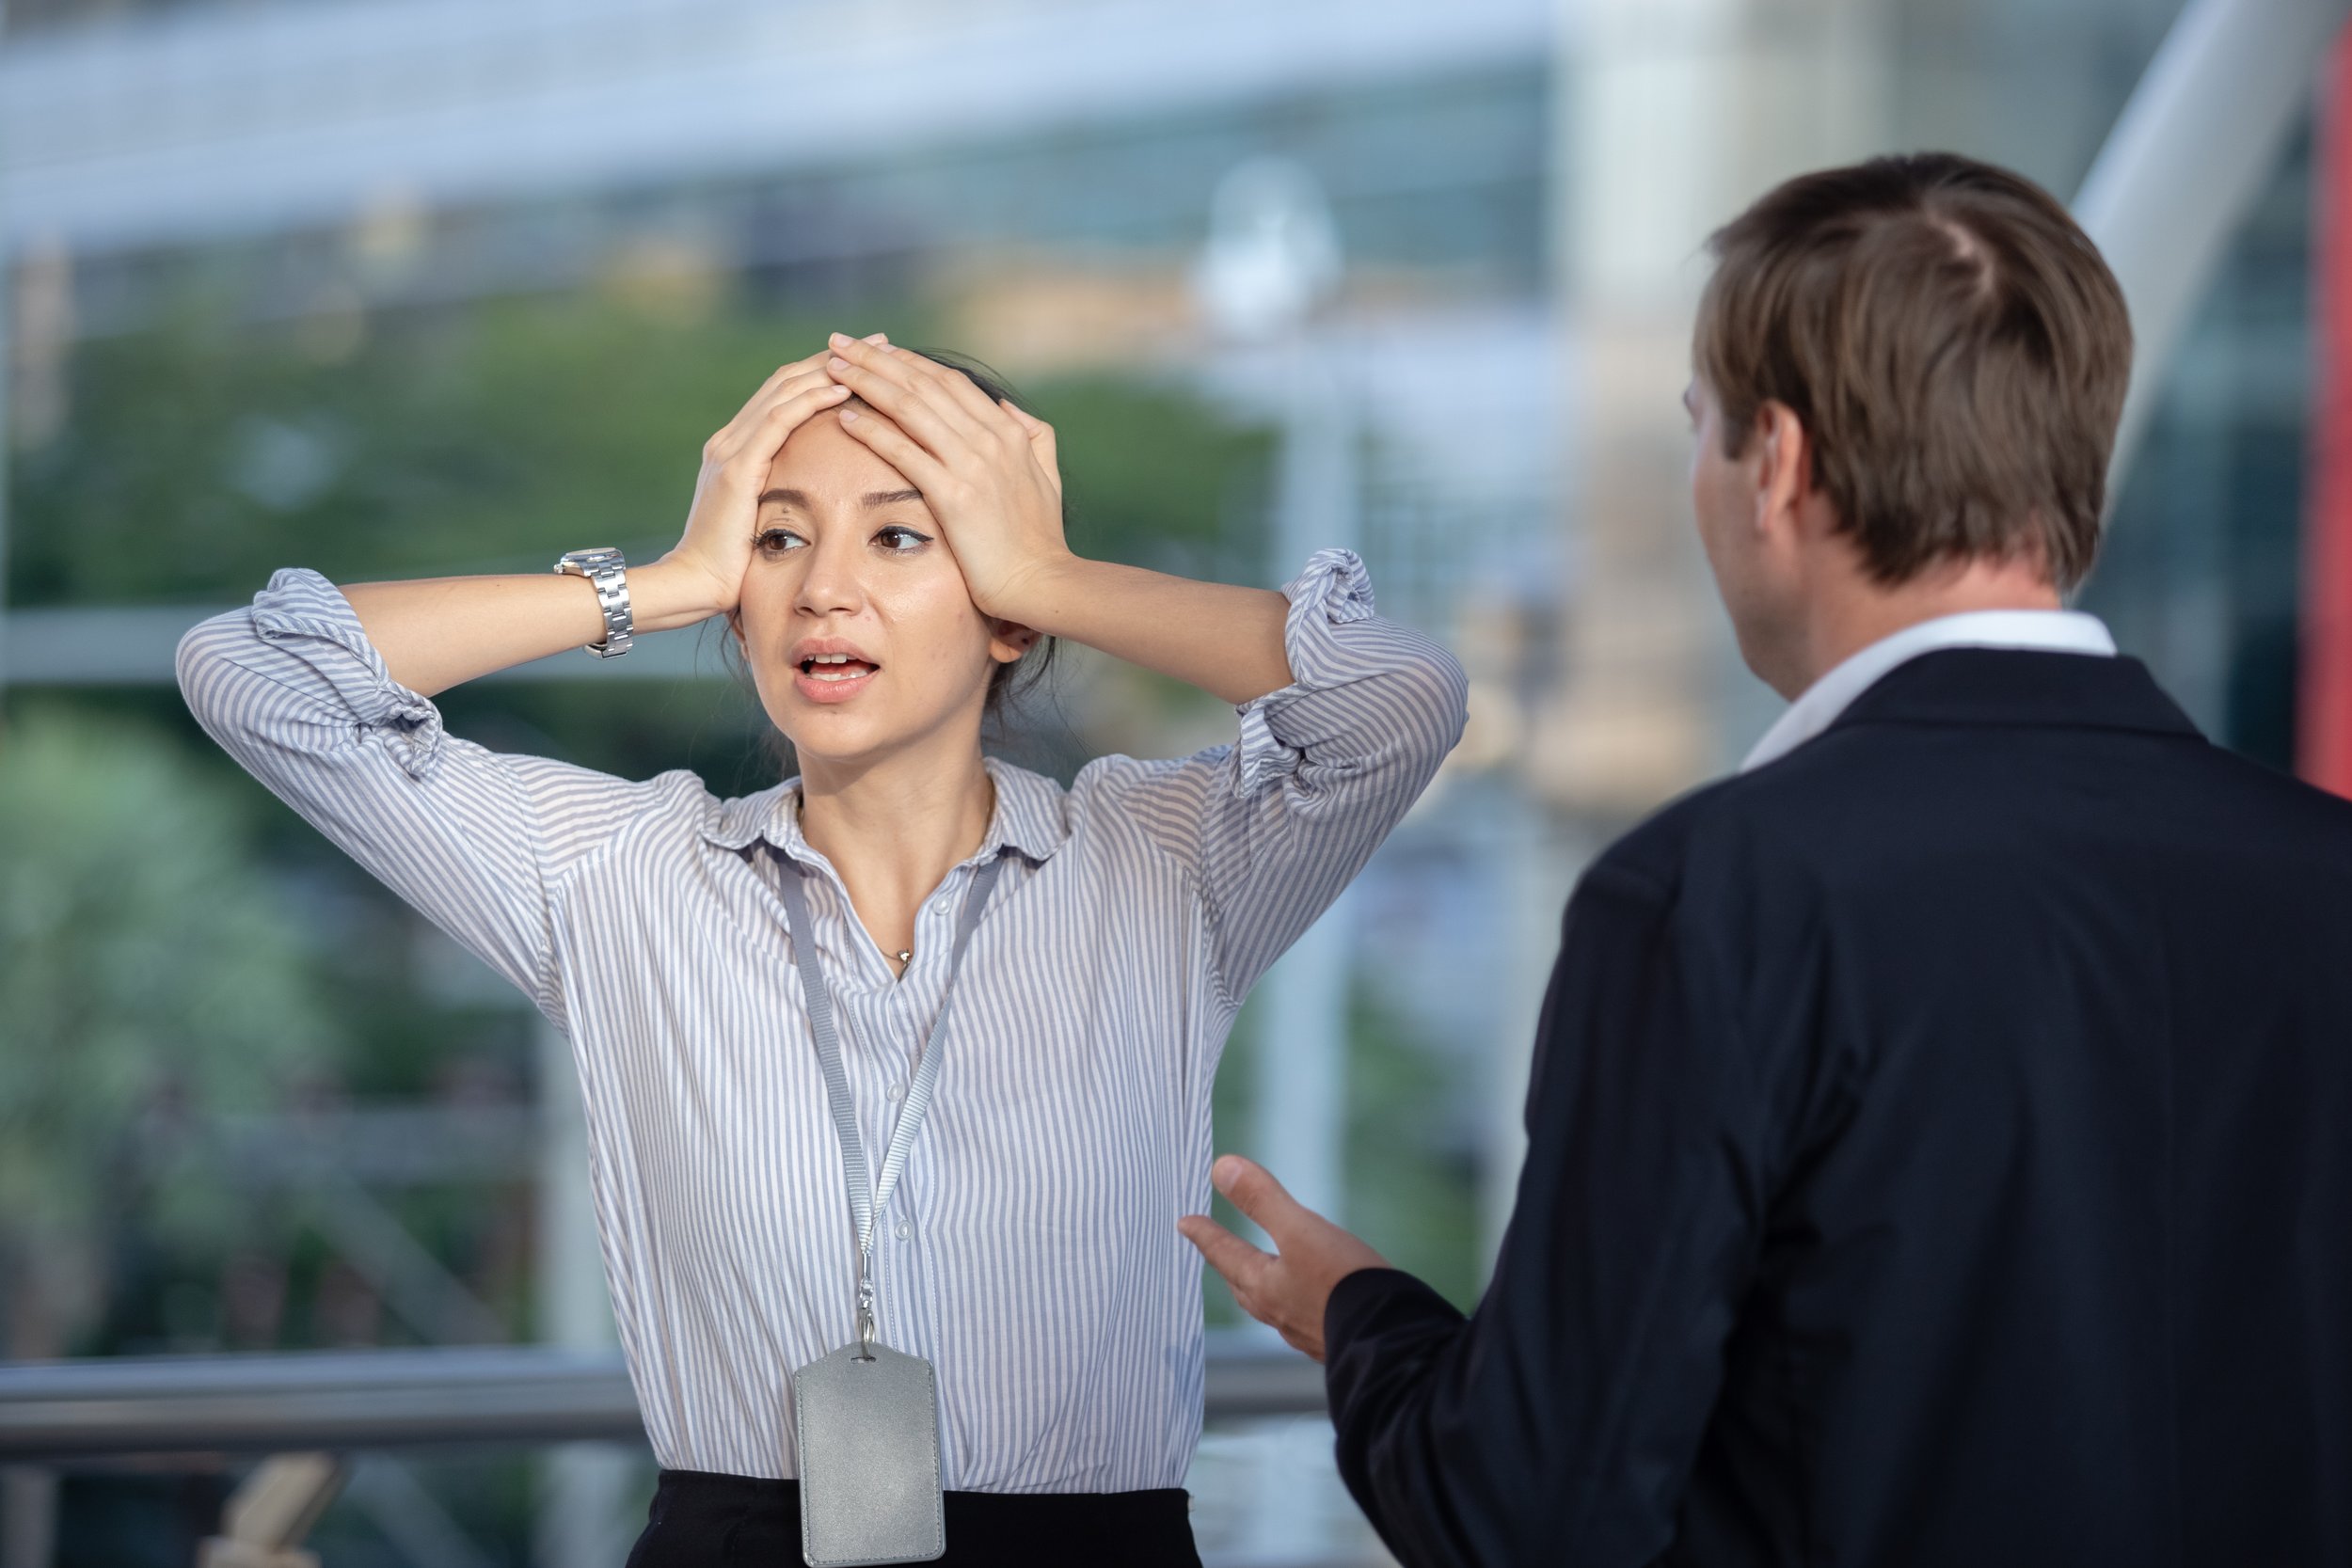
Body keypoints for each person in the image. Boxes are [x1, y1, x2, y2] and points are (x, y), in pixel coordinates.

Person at [1184, 152, 2352, 1567]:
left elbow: (1532, 1518)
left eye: (1703, 431)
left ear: (1778, 464)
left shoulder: (1714, 899)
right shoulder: (2319, 872)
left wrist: (1363, 1321)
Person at [178, 333, 1468, 1565]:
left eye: (904, 535)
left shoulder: (1167, 863)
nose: (822, 588)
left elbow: (1396, 703)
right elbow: (253, 670)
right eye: (778, 538)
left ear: (1003, 613)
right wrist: (673, 579)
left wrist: (1050, 576)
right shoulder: (622, 876)